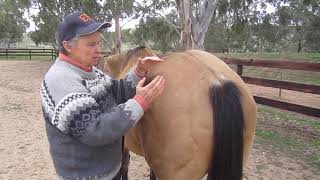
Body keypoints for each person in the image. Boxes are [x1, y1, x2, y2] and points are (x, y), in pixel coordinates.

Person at [40, 11, 165, 180]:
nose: (98, 51)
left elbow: (116, 92)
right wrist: (140, 102)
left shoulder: (90, 72)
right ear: (68, 46)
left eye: (99, 42)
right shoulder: (61, 80)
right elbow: (96, 130)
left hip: (109, 172)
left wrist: (138, 72)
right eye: (91, 44)